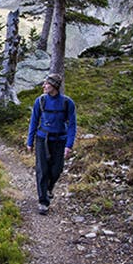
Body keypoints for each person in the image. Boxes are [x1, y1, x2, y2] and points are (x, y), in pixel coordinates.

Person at [26, 73, 77, 215]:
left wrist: (69, 145)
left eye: (46, 84)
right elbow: (34, 122)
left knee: (57, 170)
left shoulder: (67, 103)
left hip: (60, 140)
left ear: (54, 86)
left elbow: (72, 125)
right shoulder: (40, 101)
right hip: (42, 140)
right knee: (42, 170)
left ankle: (49, 187)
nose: (43, 86)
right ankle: (43, 202)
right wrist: (30, 141)